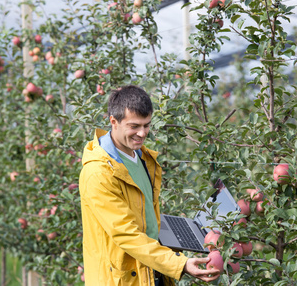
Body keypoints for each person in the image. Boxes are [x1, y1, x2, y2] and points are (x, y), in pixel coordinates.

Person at [79, 85, 221, 285]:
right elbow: (127, 234)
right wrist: (179, 264)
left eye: (146, 125)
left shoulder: (141, 156)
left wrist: (174, 233)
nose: (142, 133)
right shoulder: (98, 173)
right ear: (114, 121)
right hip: (123, 278)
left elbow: (143, 213)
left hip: (152, 268)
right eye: (134, 126)